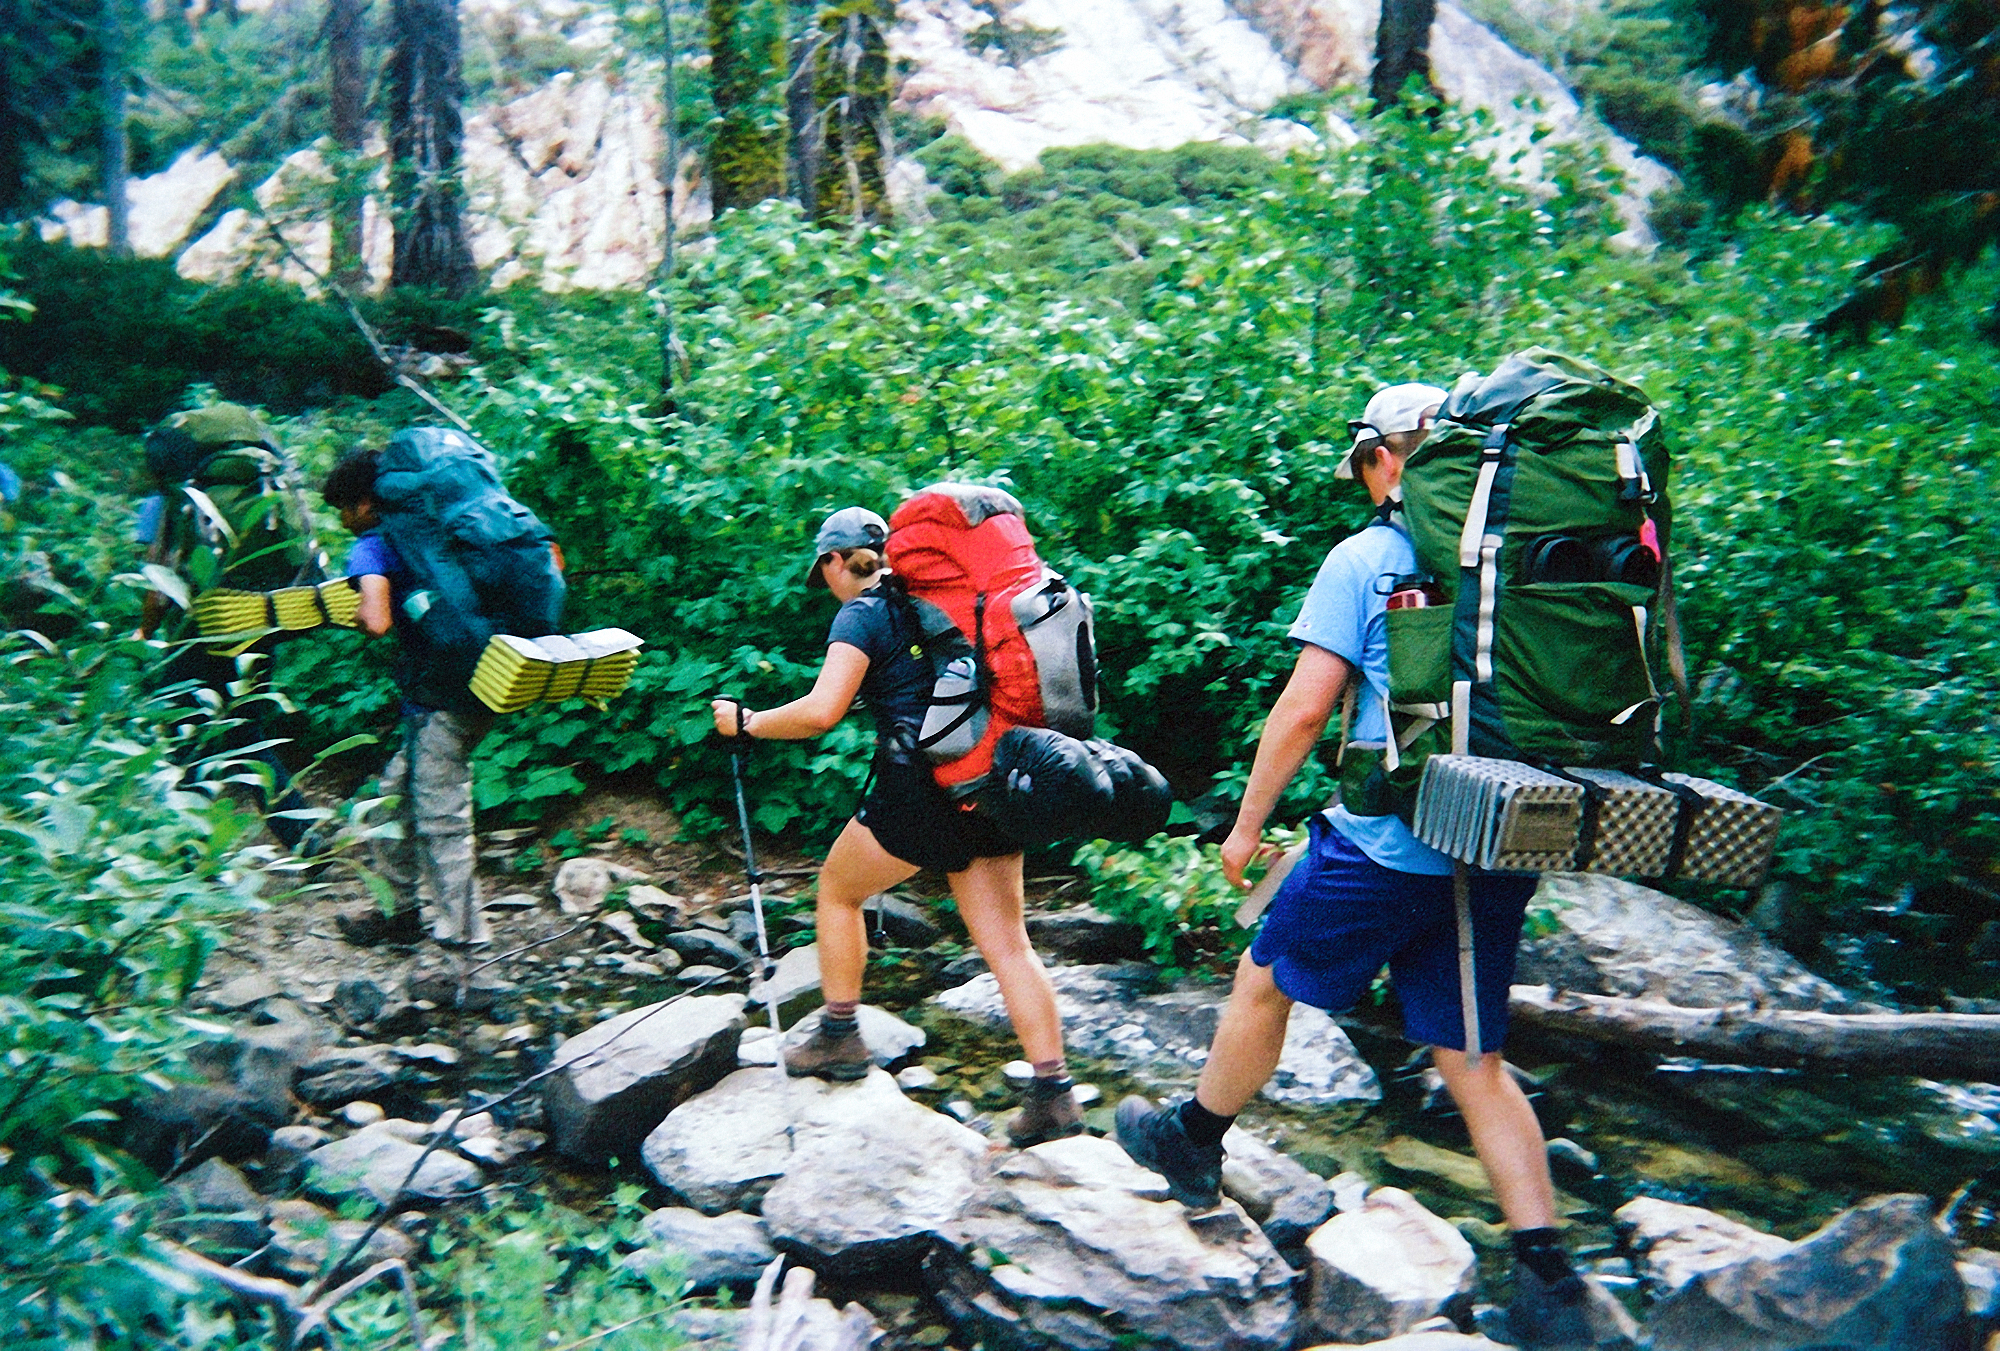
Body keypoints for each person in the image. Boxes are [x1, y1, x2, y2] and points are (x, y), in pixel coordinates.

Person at [1114, 384, 1600, 1349]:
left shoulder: (1369, 559)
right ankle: (1550, 1273)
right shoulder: (1525, 570)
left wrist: (1245, 827)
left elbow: (1303, 711)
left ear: (1385, 460)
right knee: (1473, 1059)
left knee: (1262, 979)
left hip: (1384, 843)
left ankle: (1194, 1143)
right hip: (1495, 843)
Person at [710, 506, 1083, 1147]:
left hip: (922, 791)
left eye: (822, 568)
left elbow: (822, 712)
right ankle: (1053, 1095)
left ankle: (839, 1034)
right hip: (991, 778)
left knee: (838, 890)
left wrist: (746, 722)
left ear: (833, 560)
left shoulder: (862, 612)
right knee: (1010, 944)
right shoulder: (949, 600)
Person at [322, 448, 492, 950]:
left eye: (343, 510)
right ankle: (399, 913)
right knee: (389, 804)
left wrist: (358, 610)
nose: (344, 521)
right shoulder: (442, 530)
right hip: (487, 680)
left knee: (443, 820)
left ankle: (465, 948)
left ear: (364, 504)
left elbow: (375, 620)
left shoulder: (375, 545)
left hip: (441, 698)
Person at [136, 403, 320, 852]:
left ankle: (186, 849)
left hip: (199, 634)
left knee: (186, 732)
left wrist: (145, 633)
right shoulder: (260, 485)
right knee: (242, 732)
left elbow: (160, 580)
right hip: (259, 622)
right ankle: (303, 838)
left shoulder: (176, 500)